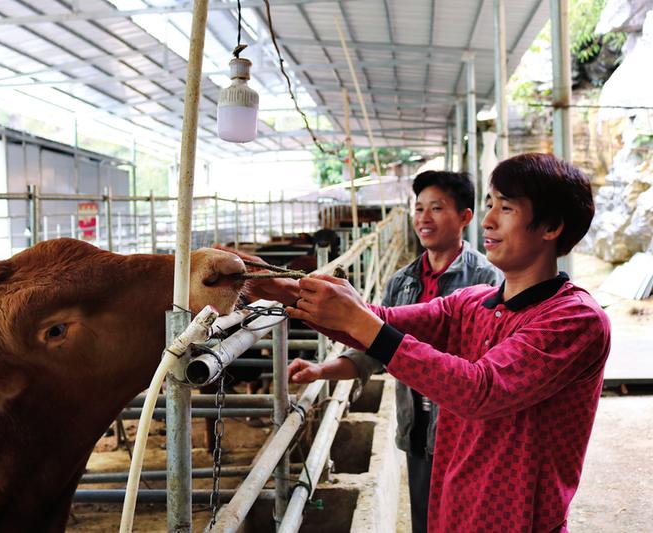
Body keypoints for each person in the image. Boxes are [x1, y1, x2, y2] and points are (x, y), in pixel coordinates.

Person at [240, 153, 611, 532]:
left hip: (519, 521)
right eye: (489, 204)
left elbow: (480, 389)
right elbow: (379, 322)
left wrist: (359, 319)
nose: (488, 220)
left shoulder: (575, 319)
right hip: (453, 507)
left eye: (507, 208)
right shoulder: (472, 302)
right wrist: (265, 283)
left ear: (551, 226)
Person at [342, 170, 501, 533]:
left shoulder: (487, 279)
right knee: (425, 518)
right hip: (416, 422)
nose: (423, 218)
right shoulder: (401, 281)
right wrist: (322, 371)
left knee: (467, 516)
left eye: (436, 208)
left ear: (465, 217)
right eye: (418, 209)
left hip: (465, 426)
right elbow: (375, 344)